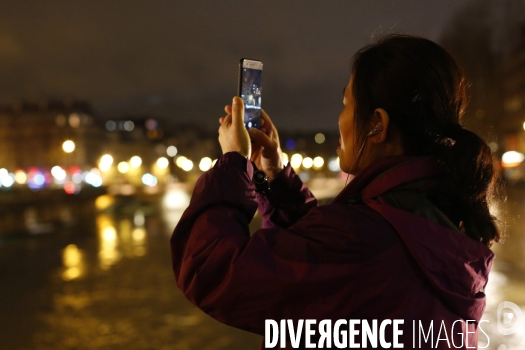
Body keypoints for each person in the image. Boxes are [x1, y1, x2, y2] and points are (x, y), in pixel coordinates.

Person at [170, 34, 501, 349]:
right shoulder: (436, 217)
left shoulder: (361, 239)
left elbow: (211, 270)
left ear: (377, 125)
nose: (339, 119)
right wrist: (277, 177)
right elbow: (322, 267)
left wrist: (233, 163)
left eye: (345, 104)